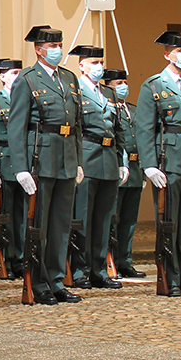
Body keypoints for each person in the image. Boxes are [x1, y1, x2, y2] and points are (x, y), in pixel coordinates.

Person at [7, 25, 84, 305]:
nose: (57, 50)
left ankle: (55, 279)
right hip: (41, 157)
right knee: (38, 224)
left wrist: (78, 160)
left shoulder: (69, 78)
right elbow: (16, 126)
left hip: (65, 158)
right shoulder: (27, 79)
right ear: (39, 50)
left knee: (61, 224)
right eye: (52, 47)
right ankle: (37, 282)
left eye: (59, 45)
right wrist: (21, 168)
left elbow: (76, 124)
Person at [134, 31, 181, 297]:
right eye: (179, 51)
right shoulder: (154, 85)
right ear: (167, 55)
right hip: (168, 160)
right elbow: (143, 128)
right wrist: (149, 165)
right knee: (169, 222)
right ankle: (170, 277)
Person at [68, 46, 127, 290]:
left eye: (101, 61)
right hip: (88, 158)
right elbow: (74, 130)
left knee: (104, 219)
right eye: (94, 62)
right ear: (81, 65)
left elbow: (119, 129)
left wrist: (122, 161)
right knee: (82, 217)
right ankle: (79, 269)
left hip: (109, 160)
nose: (99, 66)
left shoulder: (109, 94)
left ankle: (99, 270)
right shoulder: (74, 92)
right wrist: (77, 162)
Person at [102, 69, 146, 279]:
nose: (123, 86)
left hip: (136, 171)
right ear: (108, 86)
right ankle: (108, 259)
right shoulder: (106, 107)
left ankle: (125, 260)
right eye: (118, 82)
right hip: (117, 169)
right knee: (113, 218)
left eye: (124, 82)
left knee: (129, 220)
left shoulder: (134, 110)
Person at [0, 58, 25, 279]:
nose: (17, 76)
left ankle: (21, 259)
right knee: (3, 216)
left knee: (23, 217)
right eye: (13, 73)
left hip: (24, 164)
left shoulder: (26, 98)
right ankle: (4, 259)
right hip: (4, 162)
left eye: (20, 72)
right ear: (2, 76)